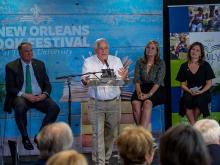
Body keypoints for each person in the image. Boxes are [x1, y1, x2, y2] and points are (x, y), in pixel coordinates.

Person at [4, 42, 60, 150]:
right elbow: (10, 88)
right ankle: (25, 138)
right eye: (26, 51)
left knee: (55, 108)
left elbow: (47, 84)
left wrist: (44, 95)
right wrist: (25, 95)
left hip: (39, 96)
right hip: (23, 97)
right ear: (20, 53)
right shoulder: (11, 66)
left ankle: (40, 136)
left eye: (31, 51)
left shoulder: (39, 64)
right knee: (19, 107)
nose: (30, 53)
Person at [81, 38, 128, 165]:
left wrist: (124, 77)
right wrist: (86, 81)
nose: (104, 51)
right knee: (98, 134)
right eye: (101, 48)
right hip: (96, 103)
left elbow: (121, 80)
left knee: (111, 134)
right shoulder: (88, 62)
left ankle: (106, 159)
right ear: (95, 50)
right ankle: (99, 162)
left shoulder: (116, 60)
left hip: (114, 102)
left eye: (106, 48)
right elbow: (85, 80)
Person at [176, 42, 215, 124]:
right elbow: (182, 84)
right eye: (193, 49)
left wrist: (201, 91)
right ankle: (194, 125)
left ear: (201, 54)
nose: (194, 52)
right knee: (186, 99)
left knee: (199, 99)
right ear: (190, 51)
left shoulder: (205, 65)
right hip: (189, 91)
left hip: (203, 92)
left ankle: (193, 124)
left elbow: (209, 83)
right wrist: (190, 91)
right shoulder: (183, 66)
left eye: (197, 50)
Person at [131, 40, 166, 129]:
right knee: (135, 102)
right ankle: (142, 134)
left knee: (147, 103)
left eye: (152, 48)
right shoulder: (140, 61)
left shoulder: (161, 63)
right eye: (148, 47)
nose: (149, 50)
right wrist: (139, 93)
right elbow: (137, 80)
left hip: (156, 89)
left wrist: (148, 95)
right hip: (142, 88)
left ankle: (141, 136)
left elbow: (158, 82)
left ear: (157, 51)